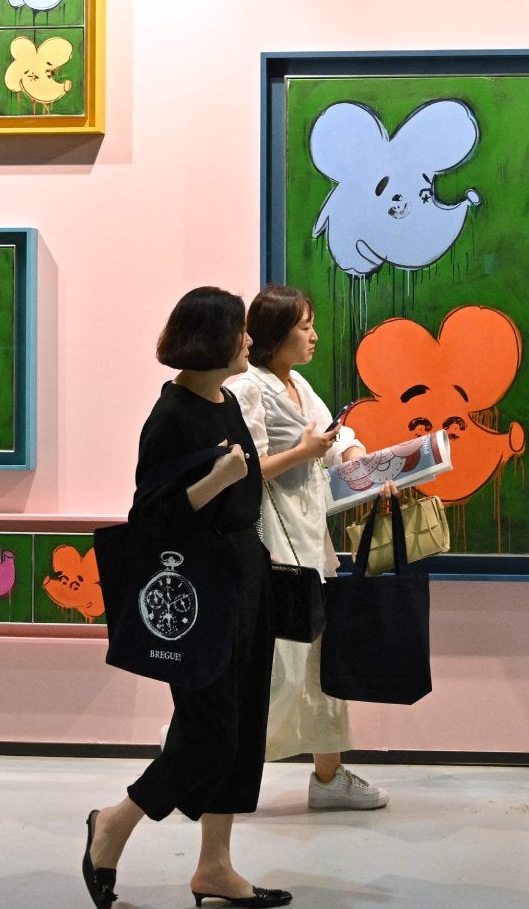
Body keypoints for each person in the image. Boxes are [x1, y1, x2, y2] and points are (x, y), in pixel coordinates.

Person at [82, 286, 291, 909]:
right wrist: (215, 481)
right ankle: (113, 824)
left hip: (242, 574)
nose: (249, 340)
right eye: (240, 332)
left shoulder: (225, 400)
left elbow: (245, 491)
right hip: (198, 588)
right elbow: (152, 518)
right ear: (212, 340)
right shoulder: (171, 415)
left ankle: (215, 868)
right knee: (211, 731)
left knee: (243, 724)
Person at [230, 285, 389, 811]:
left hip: (311, 540)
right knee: (281, 665)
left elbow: (336, 437)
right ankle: (202, 759)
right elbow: (245, 470)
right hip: (273, 544)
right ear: (275, 335)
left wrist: (361, 459)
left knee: (320, 660)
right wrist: (303, 452)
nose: (314, 335)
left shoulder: (296, 382)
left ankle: (329, 776)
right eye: (304, 326)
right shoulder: (248, 389)